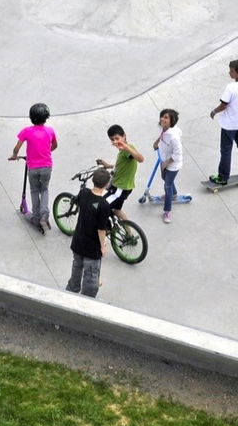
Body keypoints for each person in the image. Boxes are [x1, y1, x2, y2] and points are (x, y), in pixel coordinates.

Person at [10, 102, 58, 232]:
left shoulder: (26, 131)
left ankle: (36, 217)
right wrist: (46, 151)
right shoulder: (50, 131)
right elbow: (54, 146)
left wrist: (15, 155)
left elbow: (16, 147)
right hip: (47, 166)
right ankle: (45, 214)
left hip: (33, 167)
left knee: (35, 190)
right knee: (44, 189)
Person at [66, 168, 114, 298]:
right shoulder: (104, 205)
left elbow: (81, 204)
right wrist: (103, 246)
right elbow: (101, 229)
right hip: (91, 247)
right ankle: (87, 297)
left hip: (78, 240)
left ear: (93, 180)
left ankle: (72, 289)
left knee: (77, 266)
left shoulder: (83, 193)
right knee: (91, 274)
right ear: (106, 184)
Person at [98, 123, 145, 221]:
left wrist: (126, 147)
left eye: (117, 138)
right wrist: (108, 166)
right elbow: (122, 165)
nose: (115, 141)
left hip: (120, 188)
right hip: (120, 186)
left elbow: (140, 159)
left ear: (124, 136)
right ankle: (130, 234)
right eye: (112, 140)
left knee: (99, 207)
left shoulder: (128, 149)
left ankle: (104, 231)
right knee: (117, 211)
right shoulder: (122, 151)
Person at [153, 108, 183, 223]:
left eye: (166, 117)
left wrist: (166, 163)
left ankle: (167, 211)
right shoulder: (166, 129)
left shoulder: (174, 137)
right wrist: (156, 142)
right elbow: (163, 135)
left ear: (171, 121)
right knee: (165, 178)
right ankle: (174, 194)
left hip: (173, 165)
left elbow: (178, 154)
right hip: (164, 159)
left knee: (167, 186)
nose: (162, 119)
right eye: (162, 116)